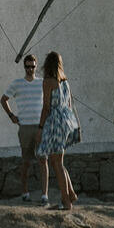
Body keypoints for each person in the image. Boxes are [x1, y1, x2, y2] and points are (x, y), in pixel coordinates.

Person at [0, 54, 47, 201]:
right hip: (25, 127)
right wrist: (11, 116)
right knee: (26, 161)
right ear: (24, 67)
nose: (30, 69)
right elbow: (4, 100)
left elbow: (48, 102)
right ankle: (25, 192)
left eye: (33, 66)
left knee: (43, 160)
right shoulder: (17, 83)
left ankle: (44, 194)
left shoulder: (42, 83)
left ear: (36, 66)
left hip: (40, 126)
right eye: (27, 66)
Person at [35, 50, 79, 211]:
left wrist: (40, 128)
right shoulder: (65, 81)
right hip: (67, 120)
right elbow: (68, 104)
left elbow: (46, 107)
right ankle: (71, 194)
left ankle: (66, 202)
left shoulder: (48, 81)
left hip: (55, 121)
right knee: (59, 162)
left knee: (56, 163)